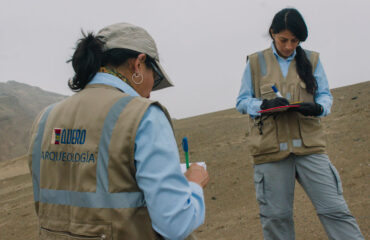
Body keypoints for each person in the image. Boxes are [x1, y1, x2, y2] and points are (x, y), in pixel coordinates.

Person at [27, 22, 209, 240]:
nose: (150, 93)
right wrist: (193, 184)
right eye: (156, 78)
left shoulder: (45, 119)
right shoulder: (144, 116)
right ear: (139, 64)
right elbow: (176, 224)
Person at [236, 8, 364, 240]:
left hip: (310, 149)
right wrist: (264, 105)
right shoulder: (255, 62)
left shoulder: (312, 60)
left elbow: (325, 96)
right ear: (272, 33)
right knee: (276, 219)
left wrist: (318, 107)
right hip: (270, 152)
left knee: (335, 210)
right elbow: (242, 101)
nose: (288, 46)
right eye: (283, 39)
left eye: (294, 41)